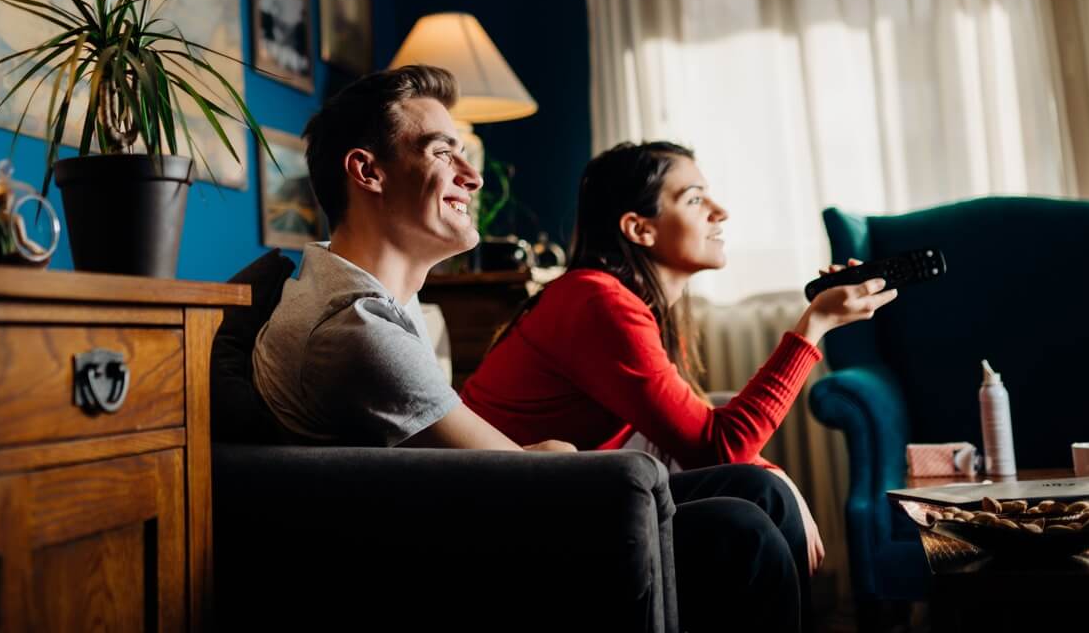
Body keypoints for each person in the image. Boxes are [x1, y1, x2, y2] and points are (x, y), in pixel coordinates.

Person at [252, 69, 813, 630]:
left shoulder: (371, 296)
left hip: (465, 505)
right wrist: (553, 456)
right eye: (445, 154)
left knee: (756, 486)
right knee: (746, 532)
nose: (472, 177)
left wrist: (554, 455)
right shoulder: (357, 327)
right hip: (453, 542)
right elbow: (530, 478)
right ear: (367, 171)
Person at [461, 141, 898, 612]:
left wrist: (777, 476)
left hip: (575, 497)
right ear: (639, 229)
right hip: (516, 518)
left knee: (765, 491)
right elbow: (717, 444)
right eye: (694, 199)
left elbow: (697, 428)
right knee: (753, 515)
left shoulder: (628, 303)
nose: (720, 211)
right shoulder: (600, 303)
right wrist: (813, 326)